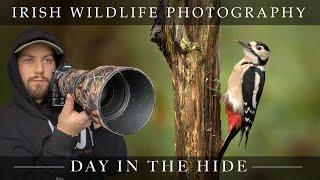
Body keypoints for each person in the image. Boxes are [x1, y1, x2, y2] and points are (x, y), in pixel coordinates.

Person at [0, 28, 127, 157]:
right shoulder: (6, 124)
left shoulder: (81, 106)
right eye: (29, 60)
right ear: (15, 67)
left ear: (57, 65)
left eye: (47, 60)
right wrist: (65, 134)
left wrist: (100, 117)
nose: (39, 69)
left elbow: (116, 166)